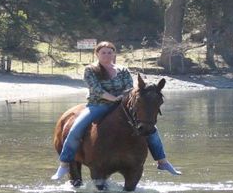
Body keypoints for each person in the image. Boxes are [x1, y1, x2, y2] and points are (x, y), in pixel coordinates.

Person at [52, 41, 181, 180]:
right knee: (76, 129)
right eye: (103, 52)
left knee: (151, 130)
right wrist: (112, 98)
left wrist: (122, 98)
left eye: (109, 52)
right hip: (98, 105)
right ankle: (64, 163)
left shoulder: (123, 70)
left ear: (114, 54)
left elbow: (129, 87)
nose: (107, 55)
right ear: (97, 54)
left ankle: (162, 161)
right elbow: (96, 89)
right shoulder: (90, 69)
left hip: (121, 105)